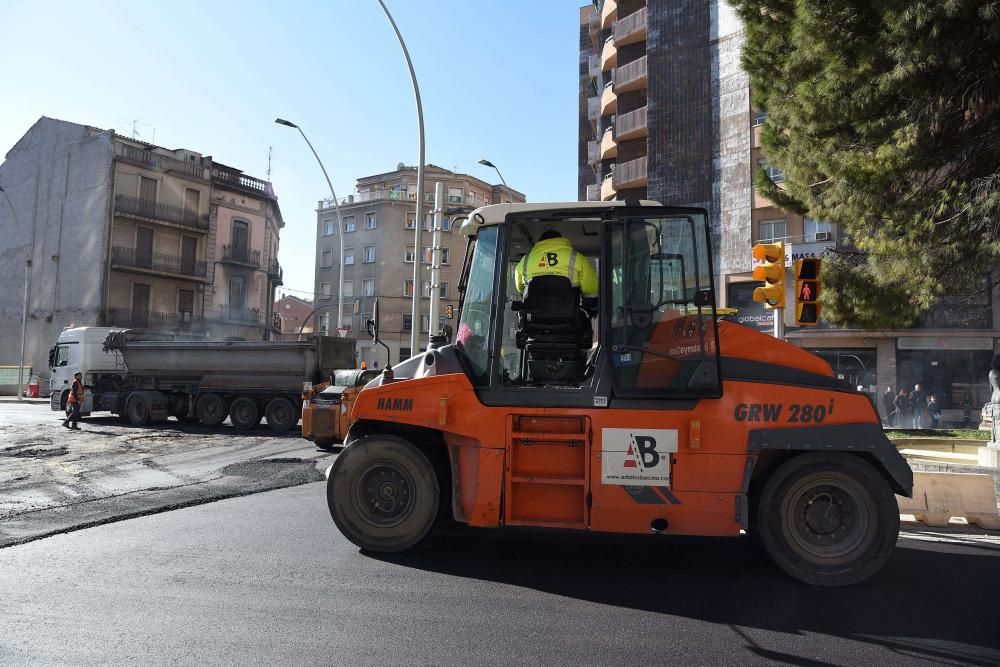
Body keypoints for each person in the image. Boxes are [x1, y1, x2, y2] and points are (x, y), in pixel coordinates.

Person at [513, 230, 598, 297]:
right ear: (561, 240)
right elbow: (590, 288)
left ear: (540, 243)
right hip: (569, 316)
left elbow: (520, 288)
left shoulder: (525, 260)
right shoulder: (577, 258)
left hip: (533, 316)